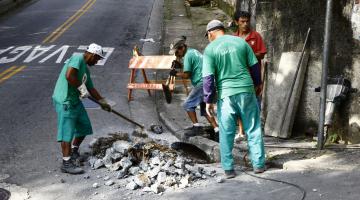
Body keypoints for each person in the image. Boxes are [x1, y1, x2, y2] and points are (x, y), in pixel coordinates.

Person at [202, 20, 265, 178]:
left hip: (226, 96)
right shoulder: (241, 42)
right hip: (247, 90)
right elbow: (255, 66)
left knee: (226, 132)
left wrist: (208, 100)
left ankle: (229, 169)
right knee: (253, 128)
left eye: (208, 35)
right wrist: (258, 84)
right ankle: (258, 165)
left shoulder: (210, 49)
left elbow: (208, 78)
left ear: (211, 33)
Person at [52, 43, 111, 174]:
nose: (96, 62)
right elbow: (69, 76)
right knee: (67, 133)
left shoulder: (86, 70)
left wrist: (102, 102)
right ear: (92, 54)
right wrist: (81, 88)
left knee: (84, 127)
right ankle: (66, 163)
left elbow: (91, 88)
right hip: (65, 101)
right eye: (97, 59)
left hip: (75, 101)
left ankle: (74, 151)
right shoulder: (77, 58)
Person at [169, 36, 219, 137]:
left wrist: (175, 73)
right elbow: (193, 68)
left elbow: (187, 75)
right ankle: (217, 130)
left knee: (187, 104)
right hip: (209, 82)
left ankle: (197, 127)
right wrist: (180, 65)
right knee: (205, 109)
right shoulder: (193, 51)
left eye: (176, 52)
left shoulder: (188, 55)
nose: (176, 54)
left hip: (202, 83)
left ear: (182, 48)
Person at [233, 10, 267, 141]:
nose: (245, 24)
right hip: (239, 77)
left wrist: (248, 56)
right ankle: (241, 132)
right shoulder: (234, 38)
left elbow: (262, 53)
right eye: (242, 21)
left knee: (254, 105)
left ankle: (255, 132)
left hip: (253, 76)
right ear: (237, 22)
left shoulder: (255, 36)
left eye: (247, 21)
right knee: (240, 104)